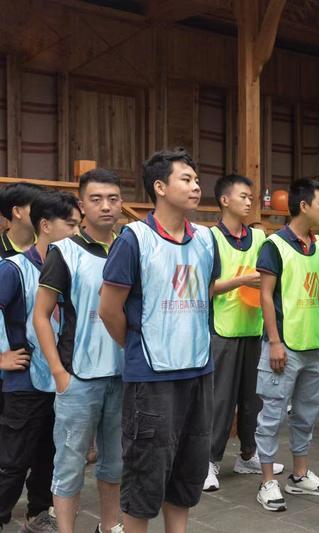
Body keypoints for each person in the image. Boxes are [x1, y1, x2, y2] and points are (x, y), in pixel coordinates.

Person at [99, 149, 217, 533]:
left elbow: (205, 292)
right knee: (145, 478)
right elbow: (109, 310)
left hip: (198, 371)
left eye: (196, 179)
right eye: (186, 179)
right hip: (151, 380)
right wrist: (140, 347)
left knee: (187, 474)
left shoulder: (206, 240)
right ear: (160, 187)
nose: (196, 186)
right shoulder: (134, 240)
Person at [33, 170, 125, 533]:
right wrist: (58, 372)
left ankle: (110, 525)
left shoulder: (128, 248)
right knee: (69, 465)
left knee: (115, 463)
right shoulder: (65, 252)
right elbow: (41, 315)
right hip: (79, 377)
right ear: (82, 205)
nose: (106, 206)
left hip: (123, 375)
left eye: (113, 198)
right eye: (96, 199)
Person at [0, 190, 81, 533]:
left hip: (62, 379)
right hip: (25, 382)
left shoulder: (74, 267)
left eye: (78, 225)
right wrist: (1, 356)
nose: (76, 232)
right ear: (45, 226)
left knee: (50, 455)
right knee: (13, 461)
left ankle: (37, 516)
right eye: (70, 224)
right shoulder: (14, 268)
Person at [254, 178, 319, 512]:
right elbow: (265, 296)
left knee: (307, 414)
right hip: (284, 345)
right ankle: (267, 481)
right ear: (303, 206)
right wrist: (274, 341)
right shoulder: (275, 245)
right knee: (272, 414)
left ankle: (299, 475)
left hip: (315, 344)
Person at [204, 174, 283, 493]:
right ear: (224, 200)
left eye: (252, 197)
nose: (250, 201)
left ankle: (249, 455)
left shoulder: (260, 237)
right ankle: (209, 462)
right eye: (243, 196)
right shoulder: (210, 238)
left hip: (255, 328)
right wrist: (241, 280)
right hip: (222, 331)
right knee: (220, 400)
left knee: (254, 399)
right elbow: (205, 288)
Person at [0, 182, 43, 415]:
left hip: (39, 375)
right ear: (17, 211)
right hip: (10, 375)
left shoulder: (48, 252)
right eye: (38, 206)